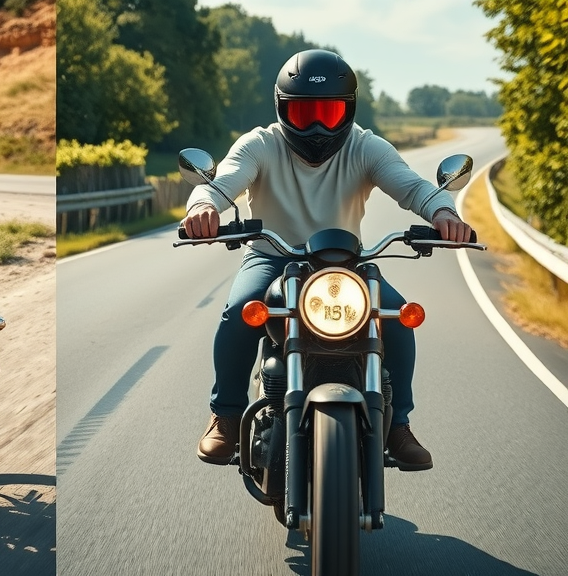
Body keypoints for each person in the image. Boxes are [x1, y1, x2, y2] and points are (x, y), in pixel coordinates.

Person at [183, 49, 475, 471]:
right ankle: (225, 417)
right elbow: (219, 183)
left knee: (397, 318)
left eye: (330, 112)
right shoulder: (260, 144)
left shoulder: (366, 146)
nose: (317, 126)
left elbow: (412, 187)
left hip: (346, 264)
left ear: (348, 110)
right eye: (304, 114)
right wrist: (202, 207)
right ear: (283, 109)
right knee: (239, 310)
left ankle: (399, 425)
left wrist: (444, 213)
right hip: (272, 258)